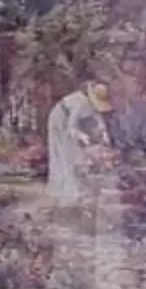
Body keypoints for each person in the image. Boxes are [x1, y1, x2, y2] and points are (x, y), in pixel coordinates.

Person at [45, 80, 113, 208]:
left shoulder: (92, 104)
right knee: (65, 154)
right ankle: (67, 192)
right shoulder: (80, 104)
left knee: (78, 155)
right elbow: (72, 127)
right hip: (60, 120)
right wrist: (83, 136)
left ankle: (77, 190)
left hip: (72, 124)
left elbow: (99, 121)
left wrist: (105, 136)